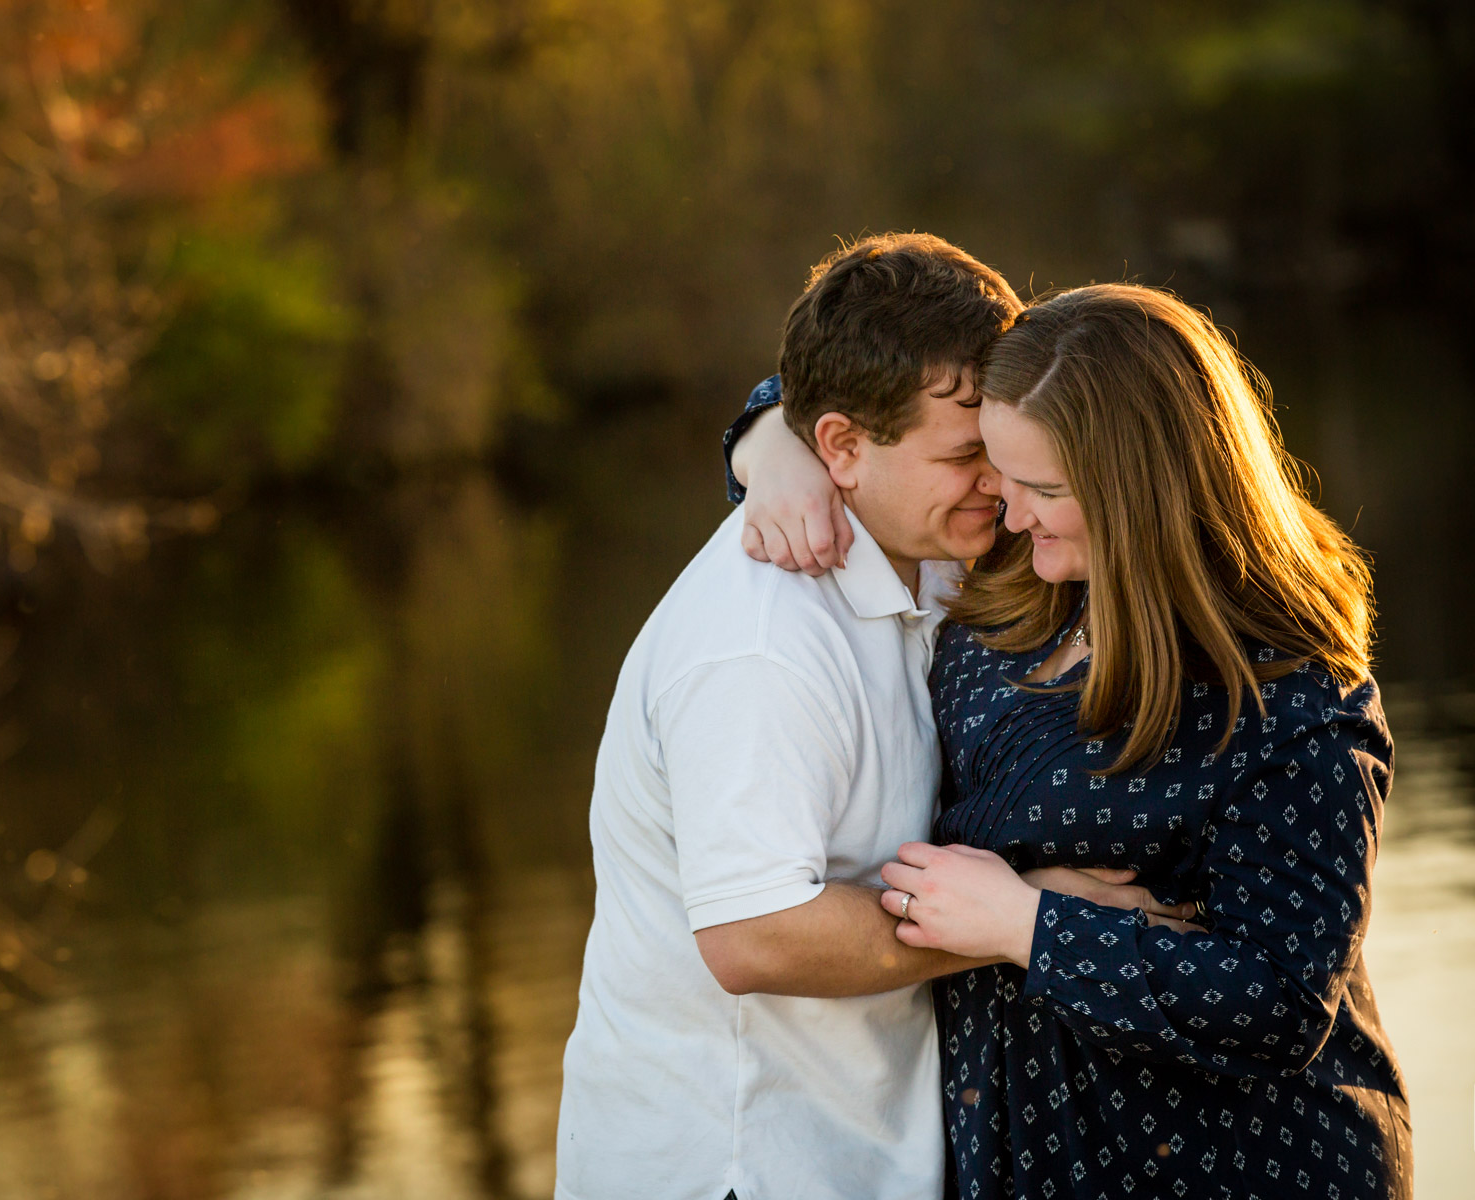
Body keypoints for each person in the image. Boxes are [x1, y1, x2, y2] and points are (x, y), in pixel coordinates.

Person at [726, 282, 1413, 1199]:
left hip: (1232, 1166)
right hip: (1030, 1148)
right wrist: (773, 449)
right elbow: (860, 401)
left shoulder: (1292, 697)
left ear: (1145, 486)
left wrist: (1026, 925)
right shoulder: (1029, 565)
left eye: (1042, 488)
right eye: (996, 471)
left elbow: (1282, 1003)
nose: (1003, 512)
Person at [557, 233, 1189, 1200]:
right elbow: (752, 934)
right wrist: (1018, 920)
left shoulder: (930, 548)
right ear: (844, 448)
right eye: (968, 455)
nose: (1002, 482)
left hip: (859, 1150)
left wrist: (763, 432)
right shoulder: (760, 646)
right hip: (741, 1166)